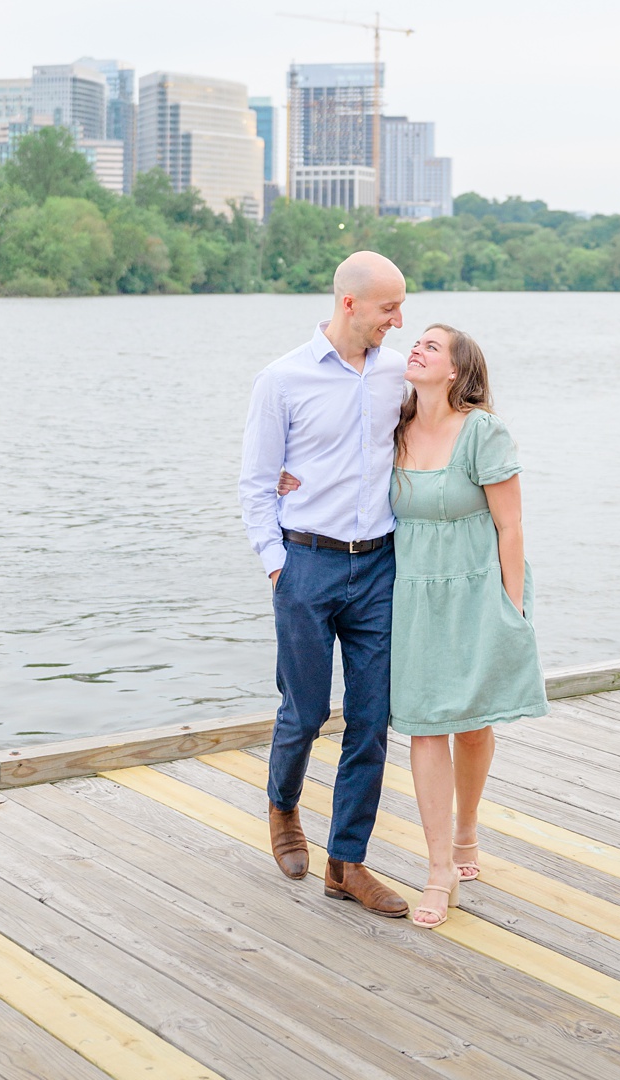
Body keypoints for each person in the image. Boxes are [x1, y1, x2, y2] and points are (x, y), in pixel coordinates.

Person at [237, 251, 410, 918]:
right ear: (351, 305)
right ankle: (282, 807)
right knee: (305, 713)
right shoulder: (282, 380)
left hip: (380, 567)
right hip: (306, 563)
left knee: (371, 721)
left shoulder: (400, 374)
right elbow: (256, 484)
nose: (399, 320)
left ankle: (347, 862)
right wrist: (278, 565)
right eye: (389, 308)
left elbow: (449, 421)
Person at [380, 322, 547, 928]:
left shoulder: (483, 432)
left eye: (432, 346)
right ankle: (437, 870)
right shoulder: (392, 429)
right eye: (415, 342)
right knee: (425, 726)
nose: (417, 349)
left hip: (479, 590)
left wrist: (511, 610)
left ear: (455, 371)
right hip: (415, 598)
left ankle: (467, 830)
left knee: (472, 726)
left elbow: (512, 527)